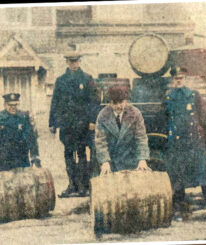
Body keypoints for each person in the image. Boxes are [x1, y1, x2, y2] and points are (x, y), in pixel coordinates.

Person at [163, 67, 206, 221]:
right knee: (178, 177)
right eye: (176, 78)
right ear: (173, 80)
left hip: (194, 142)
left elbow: (204, 119)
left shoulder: (194, 96)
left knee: (203, 175)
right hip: (178, 144)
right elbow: (165, 120)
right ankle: (179, 210)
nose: (179, 81)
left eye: (181, 78)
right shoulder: (168, 98)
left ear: (185, 79)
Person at [49, 52, 99, 197]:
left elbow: (93, 102)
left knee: (82, 153)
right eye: (70, 62)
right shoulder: (60, 80)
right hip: (66, 124)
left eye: (75, 61)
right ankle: (72, 184)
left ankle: (83, 186)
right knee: (68, 154)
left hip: (82, 124)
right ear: (67, 63)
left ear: (79, 61)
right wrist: (52, 122)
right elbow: (55, 102)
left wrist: (91, 121)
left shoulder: (87, 79)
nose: (73, 64)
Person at [95, 86, 151, 175]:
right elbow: (101, 142)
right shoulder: (102, 115)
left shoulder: (135, 113)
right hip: (111, 162)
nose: (118, 106)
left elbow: (141, 138)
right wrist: (105, 162)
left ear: (126, 101)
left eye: (121, 102)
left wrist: (142, 159)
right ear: (110, 102)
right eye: (114, 103)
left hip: (132, 160)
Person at [0, 93, 41, 171]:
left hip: (21, 158)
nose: (13, 107)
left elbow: (31, 138)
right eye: (10, 105)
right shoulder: (0, 118)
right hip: (4, 159)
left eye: (15, 105)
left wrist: (34, 157)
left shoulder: (23, 117)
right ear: (5, 105)